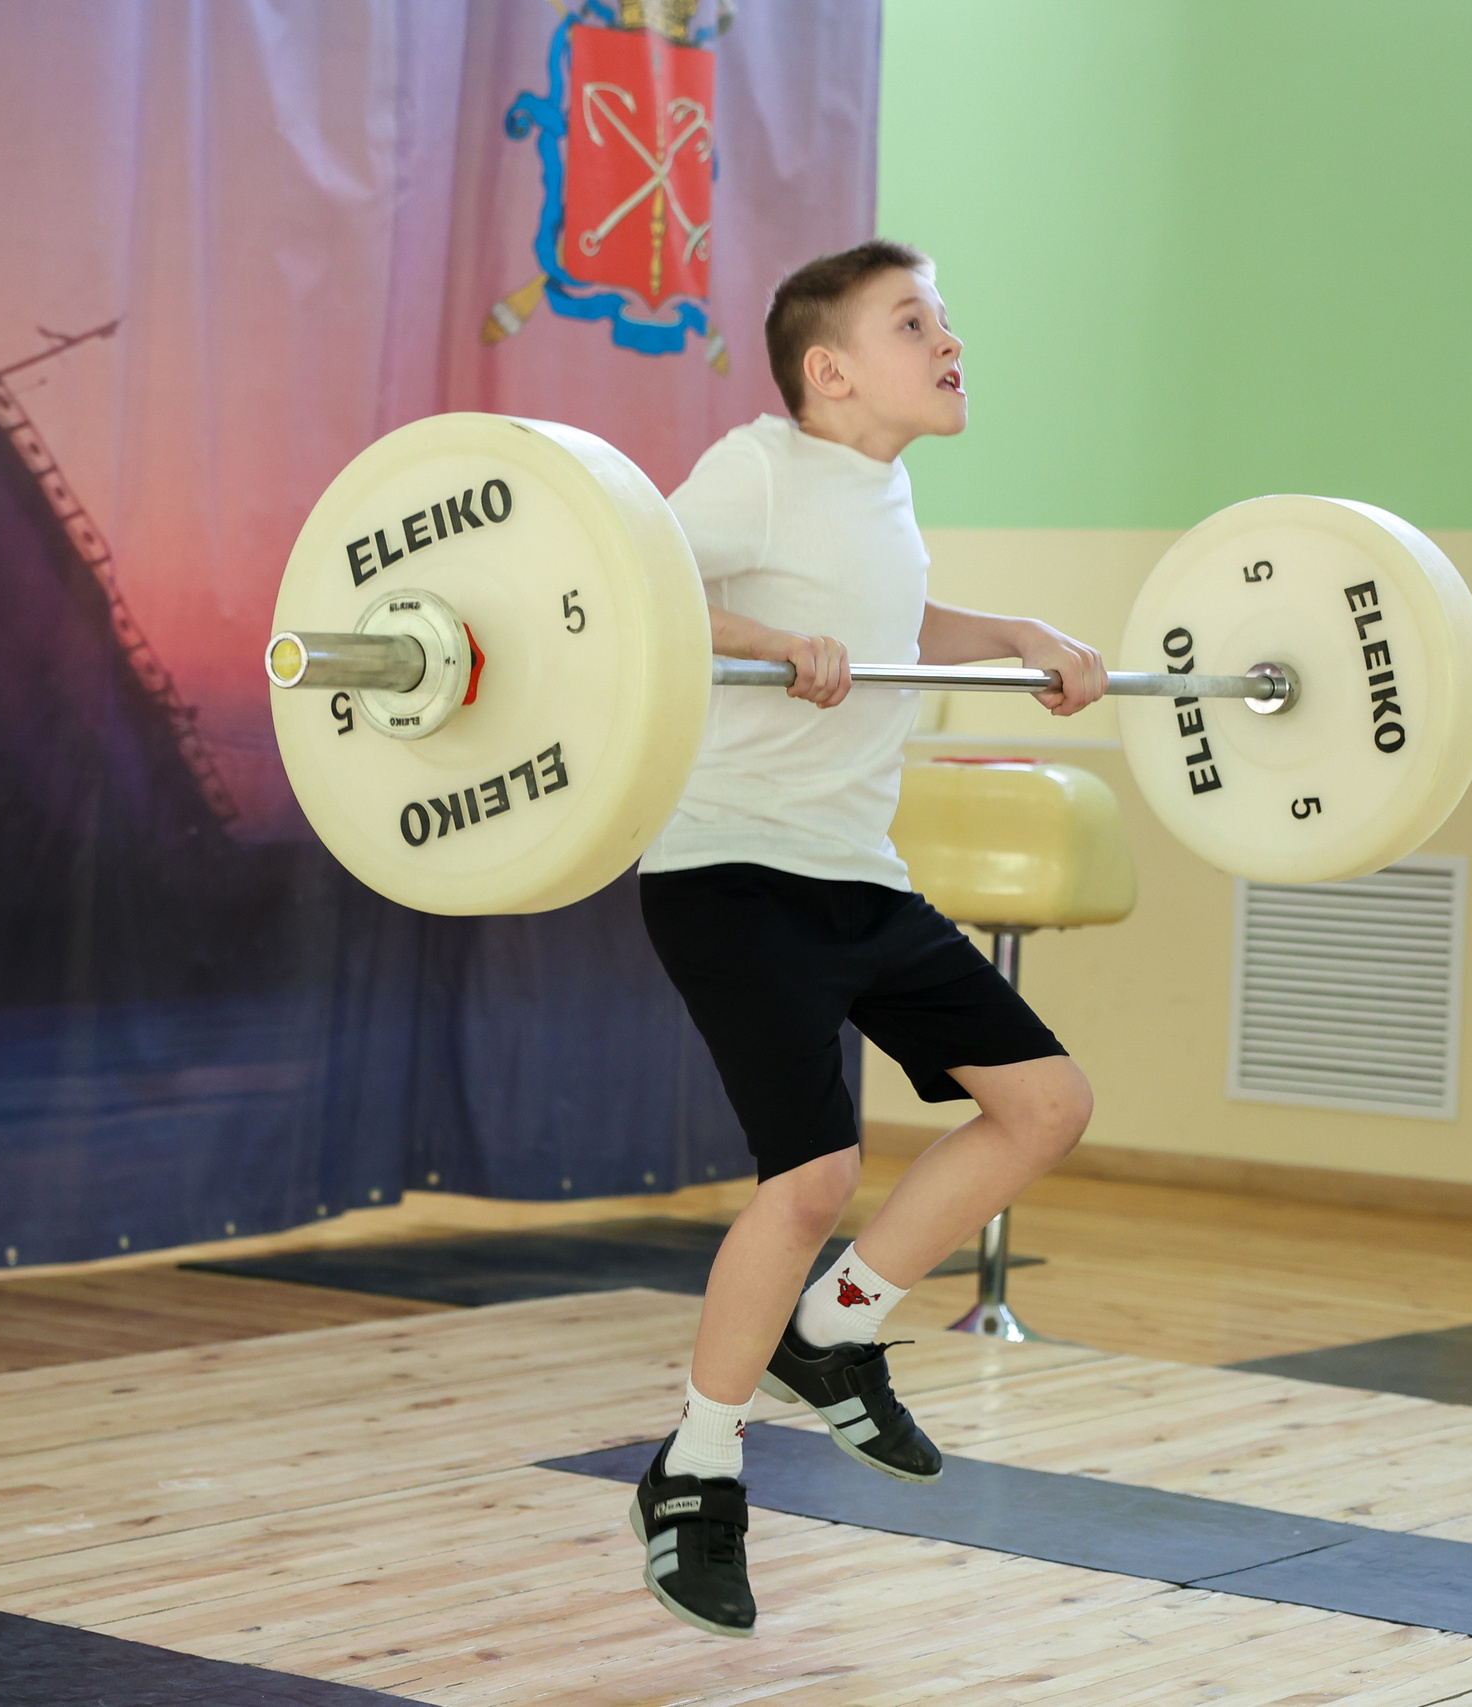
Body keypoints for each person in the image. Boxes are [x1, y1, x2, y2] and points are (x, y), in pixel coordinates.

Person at [628, 240, 1106, 1636]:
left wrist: (1013, 632)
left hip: (855, 875)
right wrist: (767, 638)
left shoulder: (883, 489)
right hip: (728, 869)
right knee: (812, 1167)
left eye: (948, 316)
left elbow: (893, 619)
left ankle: (833, 1327)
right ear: (830, 370)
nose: (950, 337)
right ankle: (695, 1467)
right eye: (916, 321)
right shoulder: (756, 465)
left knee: (1044, 1103)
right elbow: (628, 588)